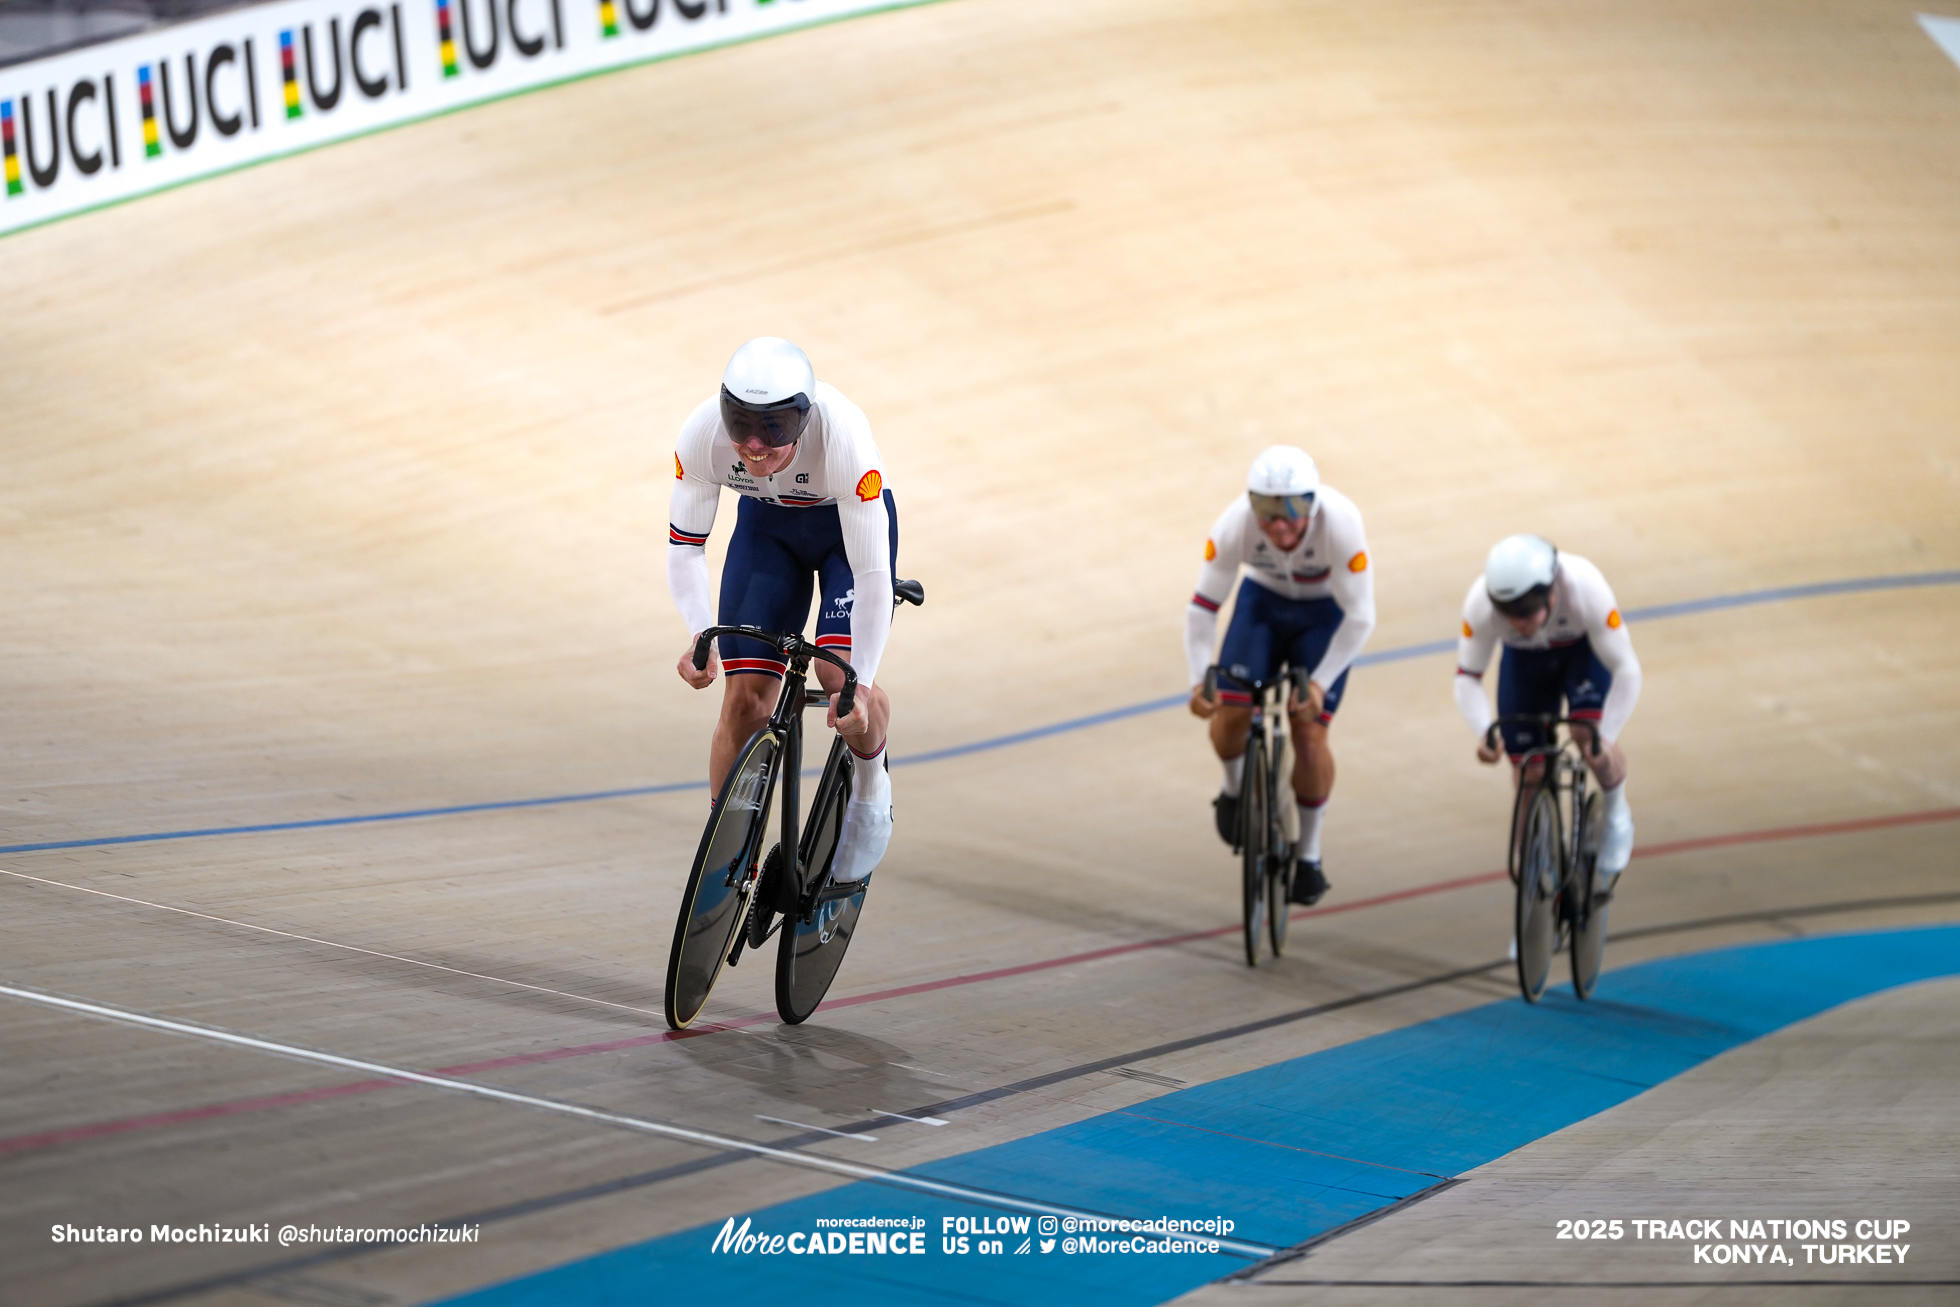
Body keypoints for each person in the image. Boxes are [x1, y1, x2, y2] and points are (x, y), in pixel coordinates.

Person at [666, 337, 896, 887]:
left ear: (805, 418)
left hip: (846, 537)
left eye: (774, 428)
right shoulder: (702, 436)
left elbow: (872, 577)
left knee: (837, 676)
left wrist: (859, 685)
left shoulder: (844, 441)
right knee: (745, 699)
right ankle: (724, 861)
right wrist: (702, 635)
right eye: (741, 422)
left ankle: (870, 791)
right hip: (768, 532)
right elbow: (685, 548)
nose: (754, 444)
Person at [1186, 446, 1376, 904]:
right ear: (1252, 504)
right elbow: (1203, 609)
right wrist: (1198, 681)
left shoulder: (1343, 524)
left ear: (1313, 502)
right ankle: (1234, 791)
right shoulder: (1235, 524)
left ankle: (1308, 855)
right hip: (1263, 607)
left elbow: (1361, 617)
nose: (1280, 523)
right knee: (1230, 715)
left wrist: (1319, 681)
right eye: (1267, 510)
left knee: (1309, 736)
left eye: (1294, 507)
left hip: (1324, 614)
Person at [1453, 535, 1640, 889]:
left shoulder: (1586, 586)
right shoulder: (1480, 602)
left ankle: (1617, 815)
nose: (1519, 621)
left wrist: (1607, 736)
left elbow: (1628, 670)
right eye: (1509, 612)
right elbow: (1467, 677)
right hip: (1525, 664)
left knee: (1587, 737)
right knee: (1528, 774)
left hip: (1581, 652)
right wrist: (1484, 732)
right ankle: (1534, 897)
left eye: (1528, 609)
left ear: (1553, 588)